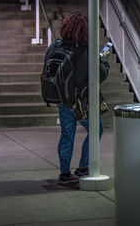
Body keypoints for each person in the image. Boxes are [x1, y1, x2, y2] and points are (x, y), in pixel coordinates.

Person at [55, 11, 109, 185]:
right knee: (96, 130)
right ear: (85, 30)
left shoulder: (56, 46)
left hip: (63, 100)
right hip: (81, 102)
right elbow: (99, 75)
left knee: (67, 134)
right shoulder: (86, 50)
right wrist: (103, 60)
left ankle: (64, 174)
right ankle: (83, 167)